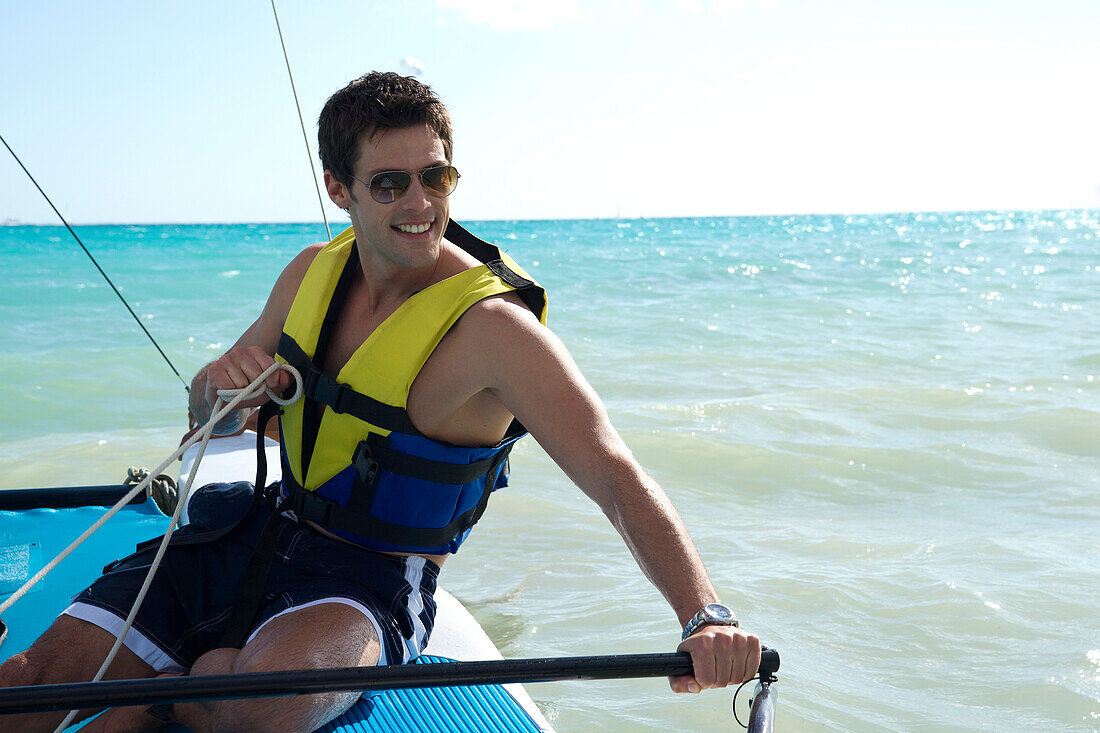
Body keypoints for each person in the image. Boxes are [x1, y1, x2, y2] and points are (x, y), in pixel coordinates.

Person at [0, 71, 760, 732]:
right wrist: (217, 389)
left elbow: (615, 475)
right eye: (390, 183)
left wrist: (705, 614)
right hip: (249, 532)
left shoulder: (496, 331)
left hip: (364, 583)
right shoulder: (308, 275)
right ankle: (174, 685)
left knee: (259, 708)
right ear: (340, 188)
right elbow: (209, 414)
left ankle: (158, 702)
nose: (420, 202)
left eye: (436, 177)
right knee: (26, 692)